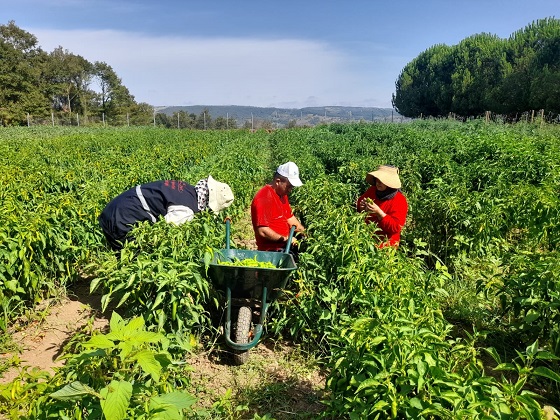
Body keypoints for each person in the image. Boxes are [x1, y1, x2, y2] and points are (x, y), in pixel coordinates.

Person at [99, 176, 234, 250]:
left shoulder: (187, 189)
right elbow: (164, 233)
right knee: (132, 257)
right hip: (122, 217)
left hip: (116, 206)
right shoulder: (185, 211)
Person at [251, 162, 305, 252]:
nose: (290, 190)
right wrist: (286, 239)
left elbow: (290, 218)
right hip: (272, 250)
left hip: (284, 246)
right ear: (278, 181)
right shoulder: (264, 197)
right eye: (289, 186)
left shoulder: (282, 195)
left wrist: (306, 233)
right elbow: (262, 231)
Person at [356, 165, 408, 247]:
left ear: (390, 183)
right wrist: (361, 207)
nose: (378, 183)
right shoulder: (372, 190)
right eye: (377, 179)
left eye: (382, 180)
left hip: (385, 245)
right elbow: (359, 204)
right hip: (366, 238)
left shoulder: (399, 200)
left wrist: (379, 213)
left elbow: (395, 227)